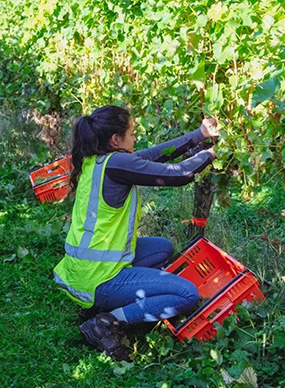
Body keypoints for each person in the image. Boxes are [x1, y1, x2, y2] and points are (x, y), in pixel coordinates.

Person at [53, 105, 219, 361]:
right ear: (115, 139)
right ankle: (107, 322)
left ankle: (100, 305)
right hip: (99, 279)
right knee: (186, 294)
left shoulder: (97, 160)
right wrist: (212, 154)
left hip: (83, 271)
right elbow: (180, 174)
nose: (135, 138)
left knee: (162, 247)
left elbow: (153, 155)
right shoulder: (117, 163)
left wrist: (199, 134)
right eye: (131, 133)